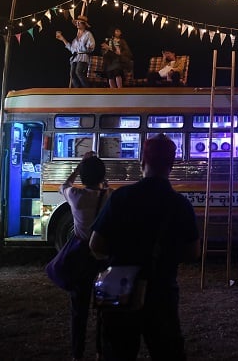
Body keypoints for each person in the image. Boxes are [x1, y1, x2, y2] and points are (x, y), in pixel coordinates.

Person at [89, 133, 200, 361]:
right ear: (171, 165)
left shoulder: (121, 197)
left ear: (142, 162)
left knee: (118, 352)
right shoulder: (179, 205)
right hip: (161, 291)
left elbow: (96, 244)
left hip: (119, 290)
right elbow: (193, 252)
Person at [59, 151, 112, 361]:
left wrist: (78, 167)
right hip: (103, 259)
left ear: (82, 177)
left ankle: (77, 355)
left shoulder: (75, 196)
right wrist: (102, 179)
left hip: (81, 260)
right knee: (104, 310)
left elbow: (63, 185)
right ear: (102, 176)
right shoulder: (109, 196)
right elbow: (106, 187)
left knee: (78, 311)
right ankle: (100, 352)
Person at [55, 15, 96, 88]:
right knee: (72, 74)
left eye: (79, 22)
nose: (77, 24)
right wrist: (62, 39)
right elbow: (71, 49)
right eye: (77, 22)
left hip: (83, 56)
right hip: (75, 57)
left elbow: (92, 46)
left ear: (84, 24)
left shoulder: (88, 34)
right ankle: (77, 90)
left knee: (78, 72)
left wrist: (87, 47)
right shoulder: (75, 39)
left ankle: (87, 89)